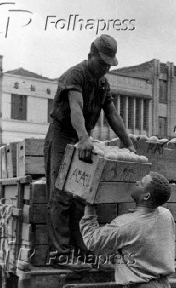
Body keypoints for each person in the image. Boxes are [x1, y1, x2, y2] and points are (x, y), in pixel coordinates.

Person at [44, 34, 135, 259]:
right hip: (63, 134)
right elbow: (76, 108)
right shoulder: (75, 75)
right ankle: (60, 254)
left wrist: (128, 143)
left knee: (80, 195)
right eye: (102, 62)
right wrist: (83, 138)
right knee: (61, 193)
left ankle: (80, 250)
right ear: (90, 56)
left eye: (109, 65)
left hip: (83, 137)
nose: (105, 68)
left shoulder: (103, 83)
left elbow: (112, 114)